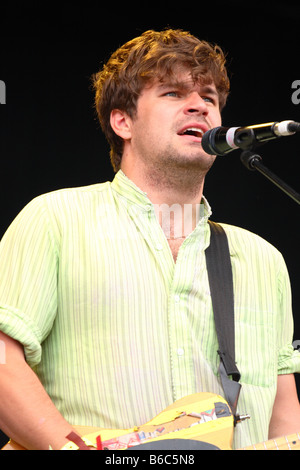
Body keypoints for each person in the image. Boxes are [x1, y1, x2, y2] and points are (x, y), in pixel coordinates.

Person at [0, 29, 300, 451]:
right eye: (174, 93)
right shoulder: (55, 220)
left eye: (209, 98)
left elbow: (282, 409)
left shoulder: (262, 259)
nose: (199, 105)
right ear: (122, 121)